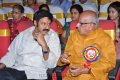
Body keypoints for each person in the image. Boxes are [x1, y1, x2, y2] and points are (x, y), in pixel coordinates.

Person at [0, 10, 61, 80]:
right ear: (35, 23)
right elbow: (11, 55)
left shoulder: (52, 37)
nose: (47, 27)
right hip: (18, 69)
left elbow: (52, 64)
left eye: (49, 24)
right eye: (43, 24)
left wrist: (44, 45)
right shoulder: (24, 34)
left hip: (37, 73)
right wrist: (1, 65)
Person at [57, 10, 116, 80]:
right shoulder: (73, 36)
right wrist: (63, 59)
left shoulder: (104, 38)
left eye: (80, 23)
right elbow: (67, 55)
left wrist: (86, 70)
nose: (77, 25)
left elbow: (109, 63)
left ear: (91, 25)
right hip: (72, 77)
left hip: (94, 77)